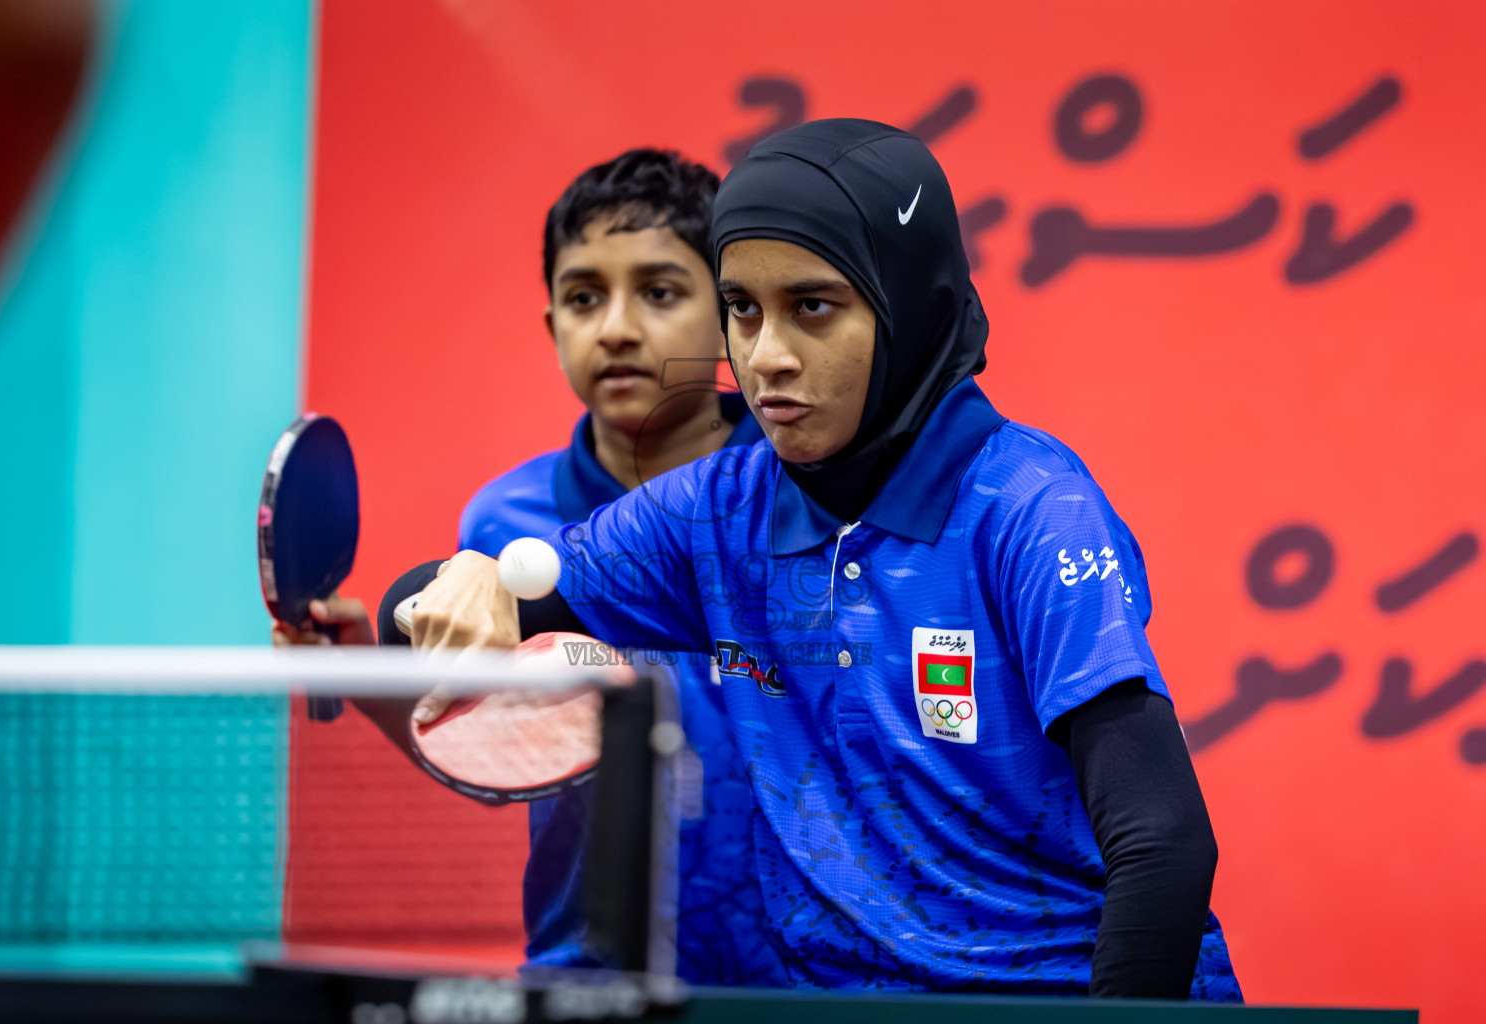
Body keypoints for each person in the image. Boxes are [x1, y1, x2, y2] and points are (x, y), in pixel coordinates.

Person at [403, 119, 1244, 999]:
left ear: (908, 308)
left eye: (813, 307)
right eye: (742, 309)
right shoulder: (717, 510)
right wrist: (467, 578)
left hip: (1064, 1003)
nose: (766, 357)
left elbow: (1164, 843)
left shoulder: (1030, 507)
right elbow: (455, 607)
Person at [277, 149, 785, 986]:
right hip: (584, 968)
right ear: (553, 328)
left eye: (659, 292)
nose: (616, 327)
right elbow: (510, 753)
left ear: (731, 318)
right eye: (585, 297)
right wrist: (369, 684)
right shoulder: (503, 521)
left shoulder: (798, 489)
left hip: (793, 974)